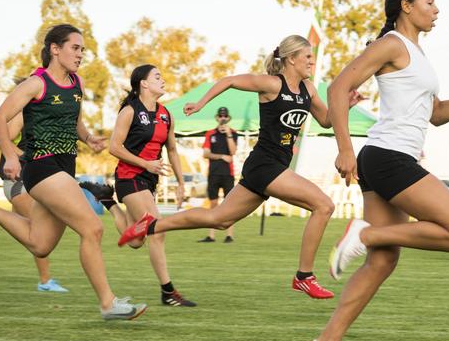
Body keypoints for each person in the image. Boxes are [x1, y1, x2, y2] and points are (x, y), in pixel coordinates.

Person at [306, 0, 449, 341]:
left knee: (382, 261)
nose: (436, 9)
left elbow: (436, 115)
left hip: (389, 159)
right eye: (429, 1)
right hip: (388, 157)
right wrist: (344, 148)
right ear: (406, 5)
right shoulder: (391, 43)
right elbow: (339, 88)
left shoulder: (418, 55)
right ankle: (363, 233)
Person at [119, 34, 363, 300]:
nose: (312, 63)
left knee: (219, 219)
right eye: (307, 57)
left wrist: (346, 106)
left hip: (273, 166)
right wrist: (201, 104)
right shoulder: (271, 84)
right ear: (291, 59)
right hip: (265, 164)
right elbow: (230, 81)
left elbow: (327, 120)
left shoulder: (309, 89)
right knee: (324, 205)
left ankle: (151, 226)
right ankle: (304, 277)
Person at [0, 24, 146, 320]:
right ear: (55, 49)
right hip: (41, 166)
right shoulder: (35, 84)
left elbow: (74, 122)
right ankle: (108, 303)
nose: (81, 54)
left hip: (65, 165)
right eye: (75, 48)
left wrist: (89, 137)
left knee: (40, 244)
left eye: (82, 49)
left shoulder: (76, 83)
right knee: (93, 228)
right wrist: (10, 156)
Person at [81, 64, 196, 307]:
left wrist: (180, 182)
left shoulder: (166, 114)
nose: (162, 80)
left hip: (148, 180)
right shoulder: (129, 111)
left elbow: (173, 150)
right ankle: (168, 292)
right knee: (157, 228)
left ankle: (107, 201)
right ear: (143, 83)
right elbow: (114, 147)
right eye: (157, 76)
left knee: (135, 241)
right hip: (129, 176)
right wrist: (145, 164)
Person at [0, 111, 68, 292]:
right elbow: (5, 137)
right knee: (39, 233)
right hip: (18, 179)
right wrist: (26, 155)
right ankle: (45, 281)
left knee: (28, 228)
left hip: (32, 178)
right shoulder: (26, 110)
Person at [197, 106, 238, 243]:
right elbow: (205, 153)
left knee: (229, 204)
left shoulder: (233, 133)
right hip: (214, 173)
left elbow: (233, 152)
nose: (223, 118)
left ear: (228, 118)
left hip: (228, 174)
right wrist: (221, 156)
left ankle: (229, 235)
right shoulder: (210, 134)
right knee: (213, 204)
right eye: (220, 116)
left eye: (225, 116)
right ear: (217, 117)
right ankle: (211, 235)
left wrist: (228, 135)